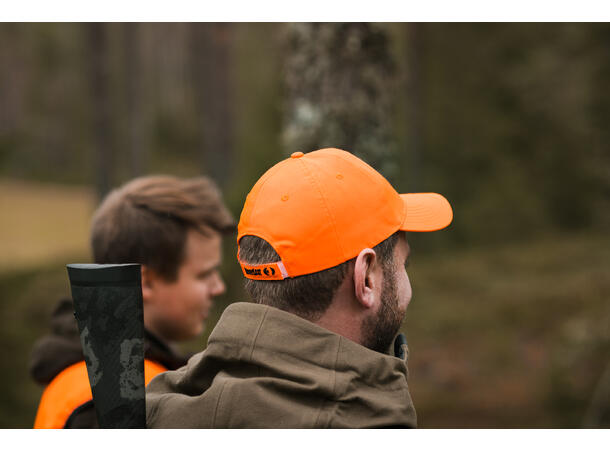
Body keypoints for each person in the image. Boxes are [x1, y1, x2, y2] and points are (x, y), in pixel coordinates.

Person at [146, 148, 453, 428]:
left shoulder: (150, 408)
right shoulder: (370, 424)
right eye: (404, 265)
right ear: (366, 279)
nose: (407, 284)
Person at [30, 175, 236, 428]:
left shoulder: (121, 377)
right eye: (204, 274)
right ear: (145, 282)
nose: (219, 287)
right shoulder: (108, 403)